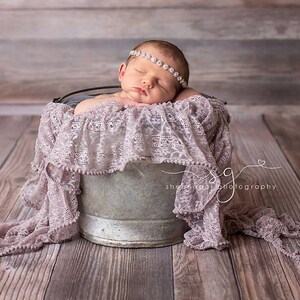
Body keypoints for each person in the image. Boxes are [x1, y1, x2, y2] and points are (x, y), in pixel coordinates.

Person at [74, 40, 199, 114]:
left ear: (174, 94)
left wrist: (182, 93)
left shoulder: (168, 108)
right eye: (140, 71)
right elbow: (79, 110)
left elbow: (196, 101)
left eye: (161, 84)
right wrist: (123, 102)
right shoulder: (111, 99)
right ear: (122, 73)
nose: (148, 82)